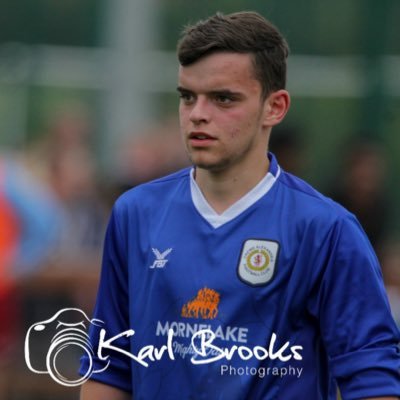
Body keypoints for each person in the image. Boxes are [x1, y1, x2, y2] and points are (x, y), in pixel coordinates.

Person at [80, 11, 400, 400]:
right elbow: (109, 366)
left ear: (275, 107)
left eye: (223, 98)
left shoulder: (326, 229)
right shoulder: (135, 213)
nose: (198, 113)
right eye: (187, 97)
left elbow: (373, 382)